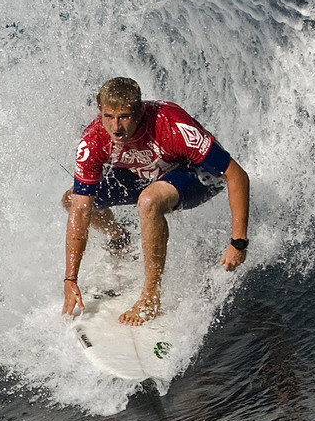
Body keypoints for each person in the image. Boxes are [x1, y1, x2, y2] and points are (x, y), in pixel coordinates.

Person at [62, 77, 249, 325]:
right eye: (108, 116)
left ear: (140, 110)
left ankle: (151, 297)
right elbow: (81, 210)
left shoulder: (172, 125)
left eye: (124, 117)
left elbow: (237, 175)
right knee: (71, 199)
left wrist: (238, 242)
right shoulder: (94, 139)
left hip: (195, 175)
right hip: (142, 173)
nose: (115, 127)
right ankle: (120, 239)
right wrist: (70, 279)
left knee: (148, 201)